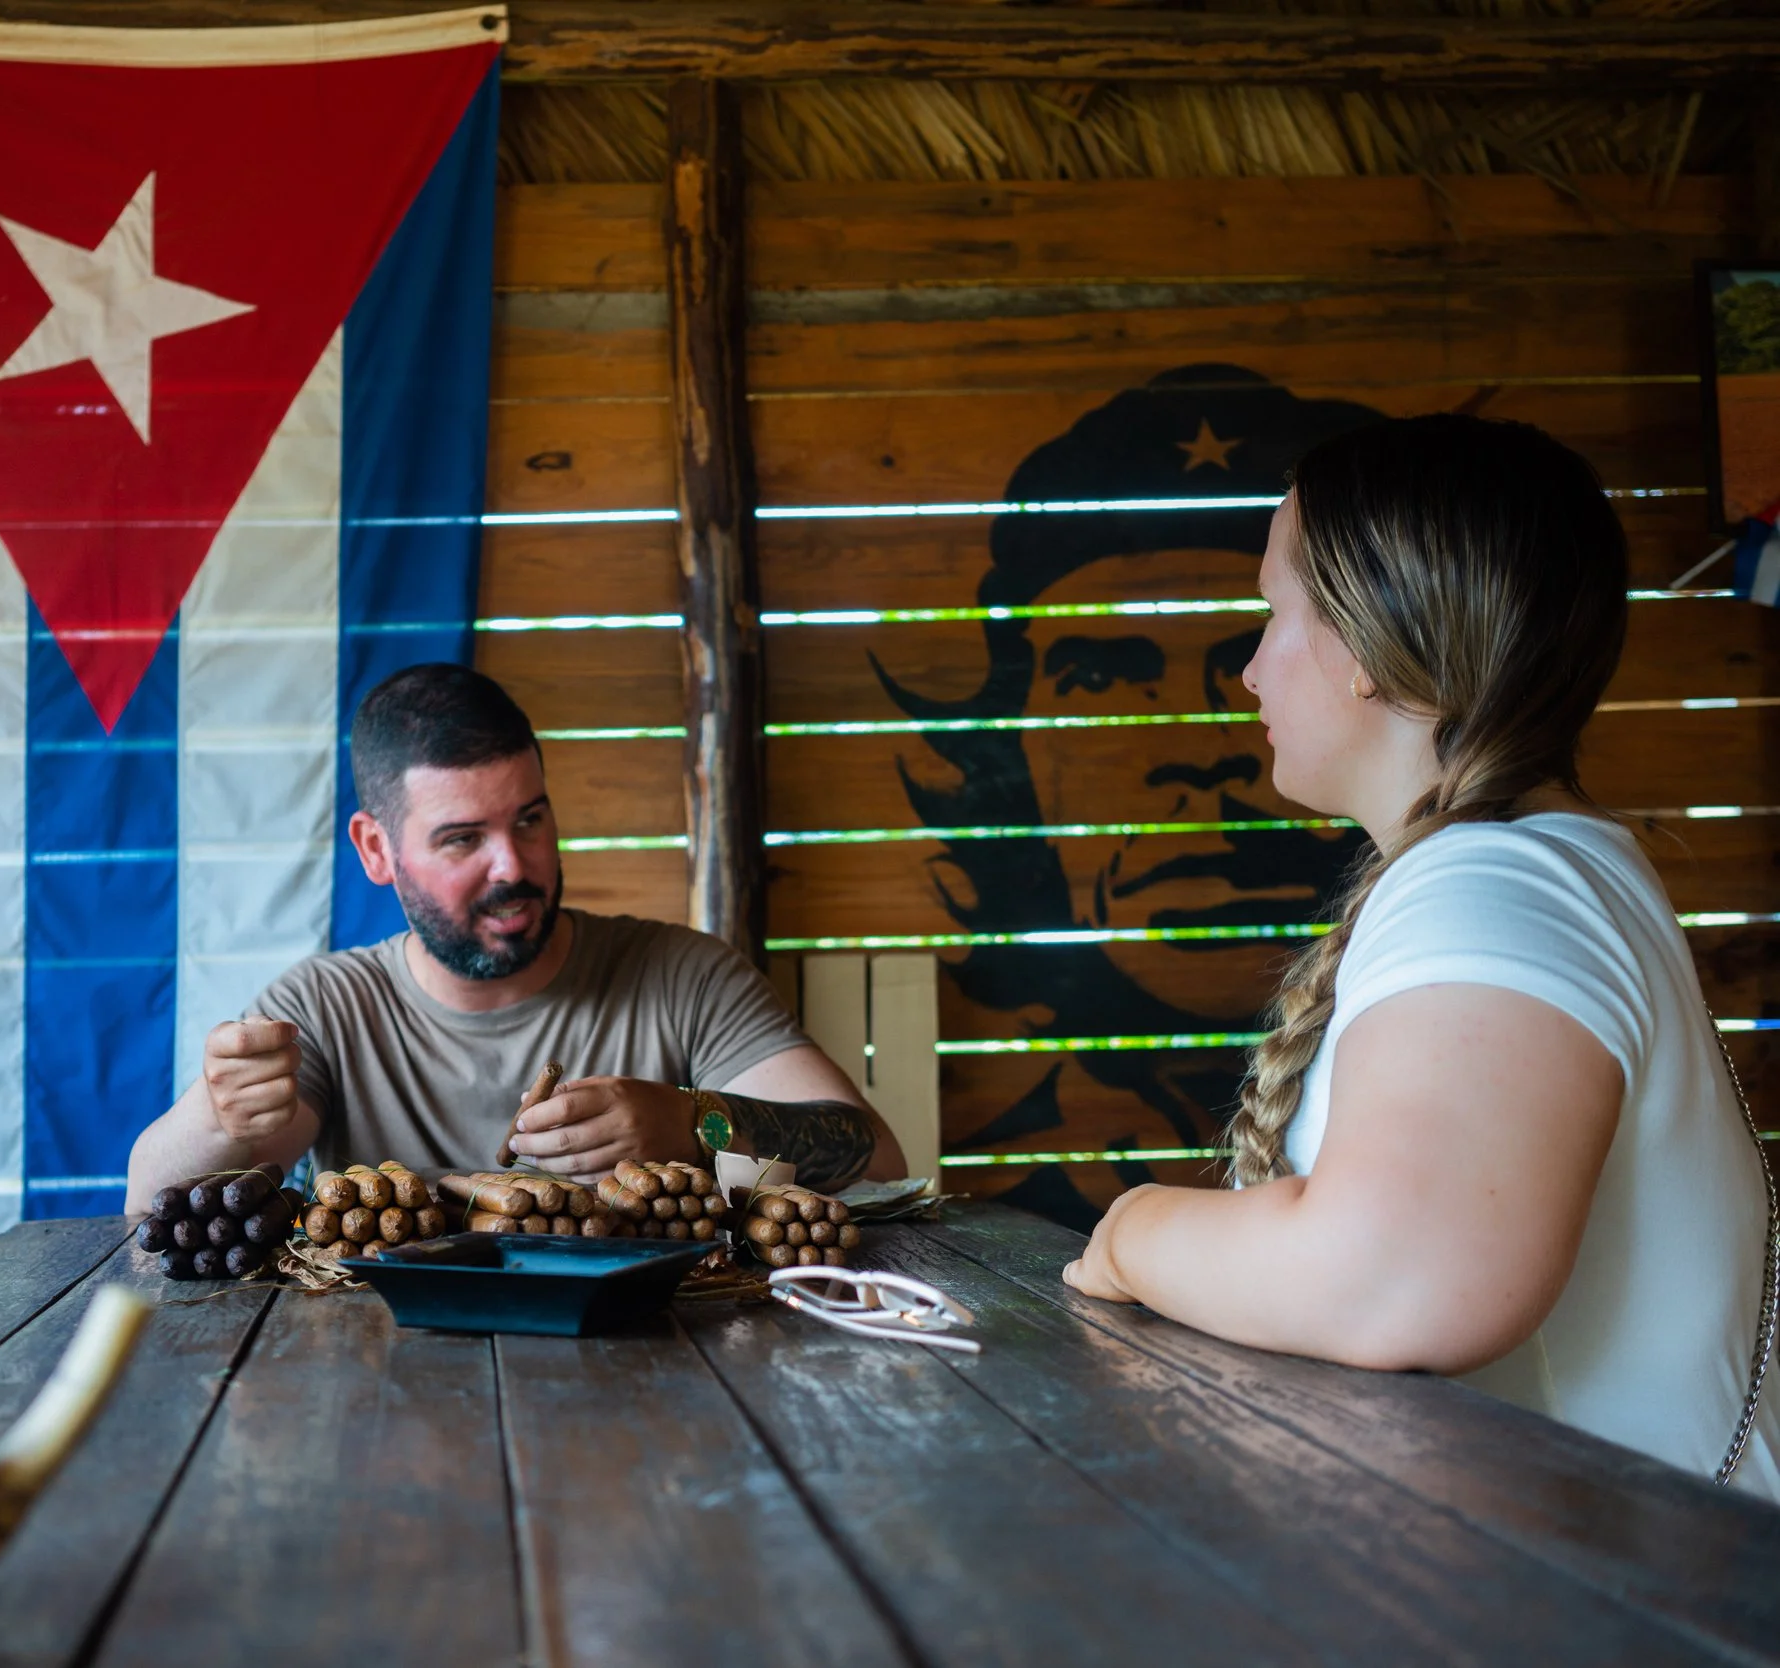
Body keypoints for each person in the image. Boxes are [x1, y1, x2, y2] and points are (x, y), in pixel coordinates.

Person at [1062, 413, 1780, 1496]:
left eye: (1274, 614)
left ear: (1362, 643)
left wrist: (1130, 1233)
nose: (1251, 672)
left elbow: (1397, 1278)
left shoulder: (1494, 884)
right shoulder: (1547, 863)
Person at [877, 366, 1379, 1229]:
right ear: (1011, 746)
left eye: (1244, 656)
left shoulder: (1460, 920)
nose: (1199, 754)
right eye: (1104, 674)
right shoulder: (979, 1207)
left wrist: (1131, 1241)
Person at [125, 663, 907, 1200]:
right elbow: (148, 1205)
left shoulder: (683, 975)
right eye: (463, 839)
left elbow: (878, 1158)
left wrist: (692, 1123)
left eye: (530, 820)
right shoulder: (327, 1006)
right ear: (376, 850)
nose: (514, 866)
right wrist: (216, 1119)